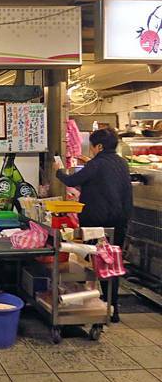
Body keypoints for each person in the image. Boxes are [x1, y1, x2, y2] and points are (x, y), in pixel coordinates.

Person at [54, 127, 132, 323]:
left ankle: (90, 303)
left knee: (96, 262)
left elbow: (72, 180)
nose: (90, 150)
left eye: (92, 146)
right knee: (112, 263)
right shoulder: (121, 163)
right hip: (119, 223)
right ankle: (112, 307)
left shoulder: (97, 164)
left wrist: (59, 171)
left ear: (99, 146)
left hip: (97, 223)